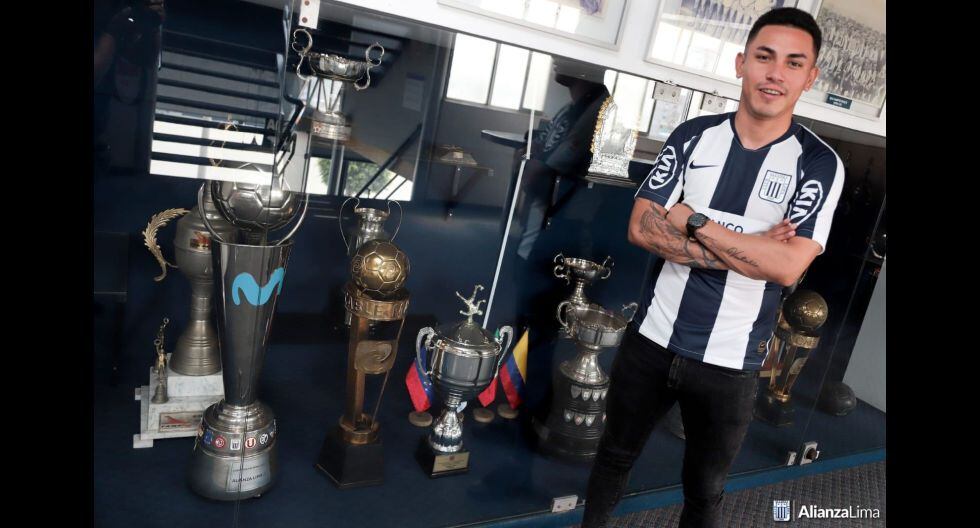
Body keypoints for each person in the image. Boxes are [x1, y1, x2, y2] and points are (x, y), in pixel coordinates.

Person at [581, 7, 844, 528]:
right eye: (764, 57)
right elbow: (641, 228)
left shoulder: (818, 163)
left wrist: (694, 221)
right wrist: (752, 249)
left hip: (731, 362)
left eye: (793, 63)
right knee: (612, 457)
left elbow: (787, 268)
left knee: (705, 492)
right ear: (741, 63)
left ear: (809, 77)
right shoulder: (693, 134)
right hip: (651, 341)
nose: (775, 73)